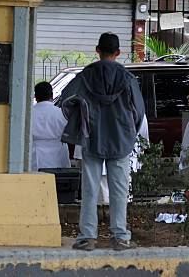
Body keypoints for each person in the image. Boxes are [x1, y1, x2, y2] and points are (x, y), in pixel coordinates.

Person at [61, 32, 145, 251]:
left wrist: (81, 122)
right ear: (118, 53)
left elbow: (66, 102)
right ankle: (120, 237)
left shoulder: (85, 76)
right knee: (119, 190)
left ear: (97, 51)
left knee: (89, 190)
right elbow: (138, 112)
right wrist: (128, 131)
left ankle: (87, 237)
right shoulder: (127, 77)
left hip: (92, 138)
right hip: (121, 140)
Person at [31, 81, 70, 172]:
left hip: (36, 154)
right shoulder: (61, 113)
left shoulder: (29, 114)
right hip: (58, 154)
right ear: (52, 96)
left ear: (35, 96)